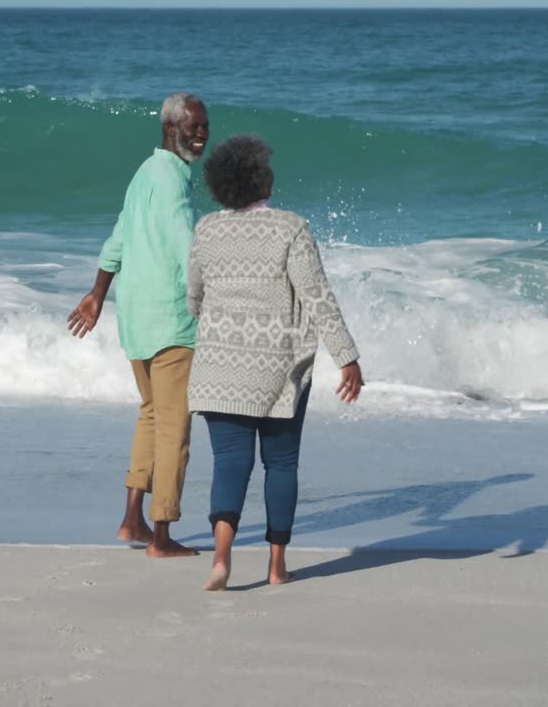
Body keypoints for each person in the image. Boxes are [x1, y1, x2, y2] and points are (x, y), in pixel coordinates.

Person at [186, 134, 364, 590]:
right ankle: (276, 566)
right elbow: (318, 296)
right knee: (280, 464)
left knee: (230, 463)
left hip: (218, 368)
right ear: (261, 179)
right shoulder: (291, 228)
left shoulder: (206, 229)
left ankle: (221, 560)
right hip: (278, 370)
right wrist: (348, 357)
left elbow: (194, 299)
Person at [67, 92, 209, 558]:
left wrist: (97, 293)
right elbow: (188, 244)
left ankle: (132, 519)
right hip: (170, 320)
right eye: (194, 126)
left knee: (151, 414)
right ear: (172, 128)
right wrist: (217, 301)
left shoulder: (143, 174)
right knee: (174, 427)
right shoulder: (172, 182)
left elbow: (118, 238)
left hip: (136, 318)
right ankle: (162, 534)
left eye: (205, 125)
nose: (203, 133)